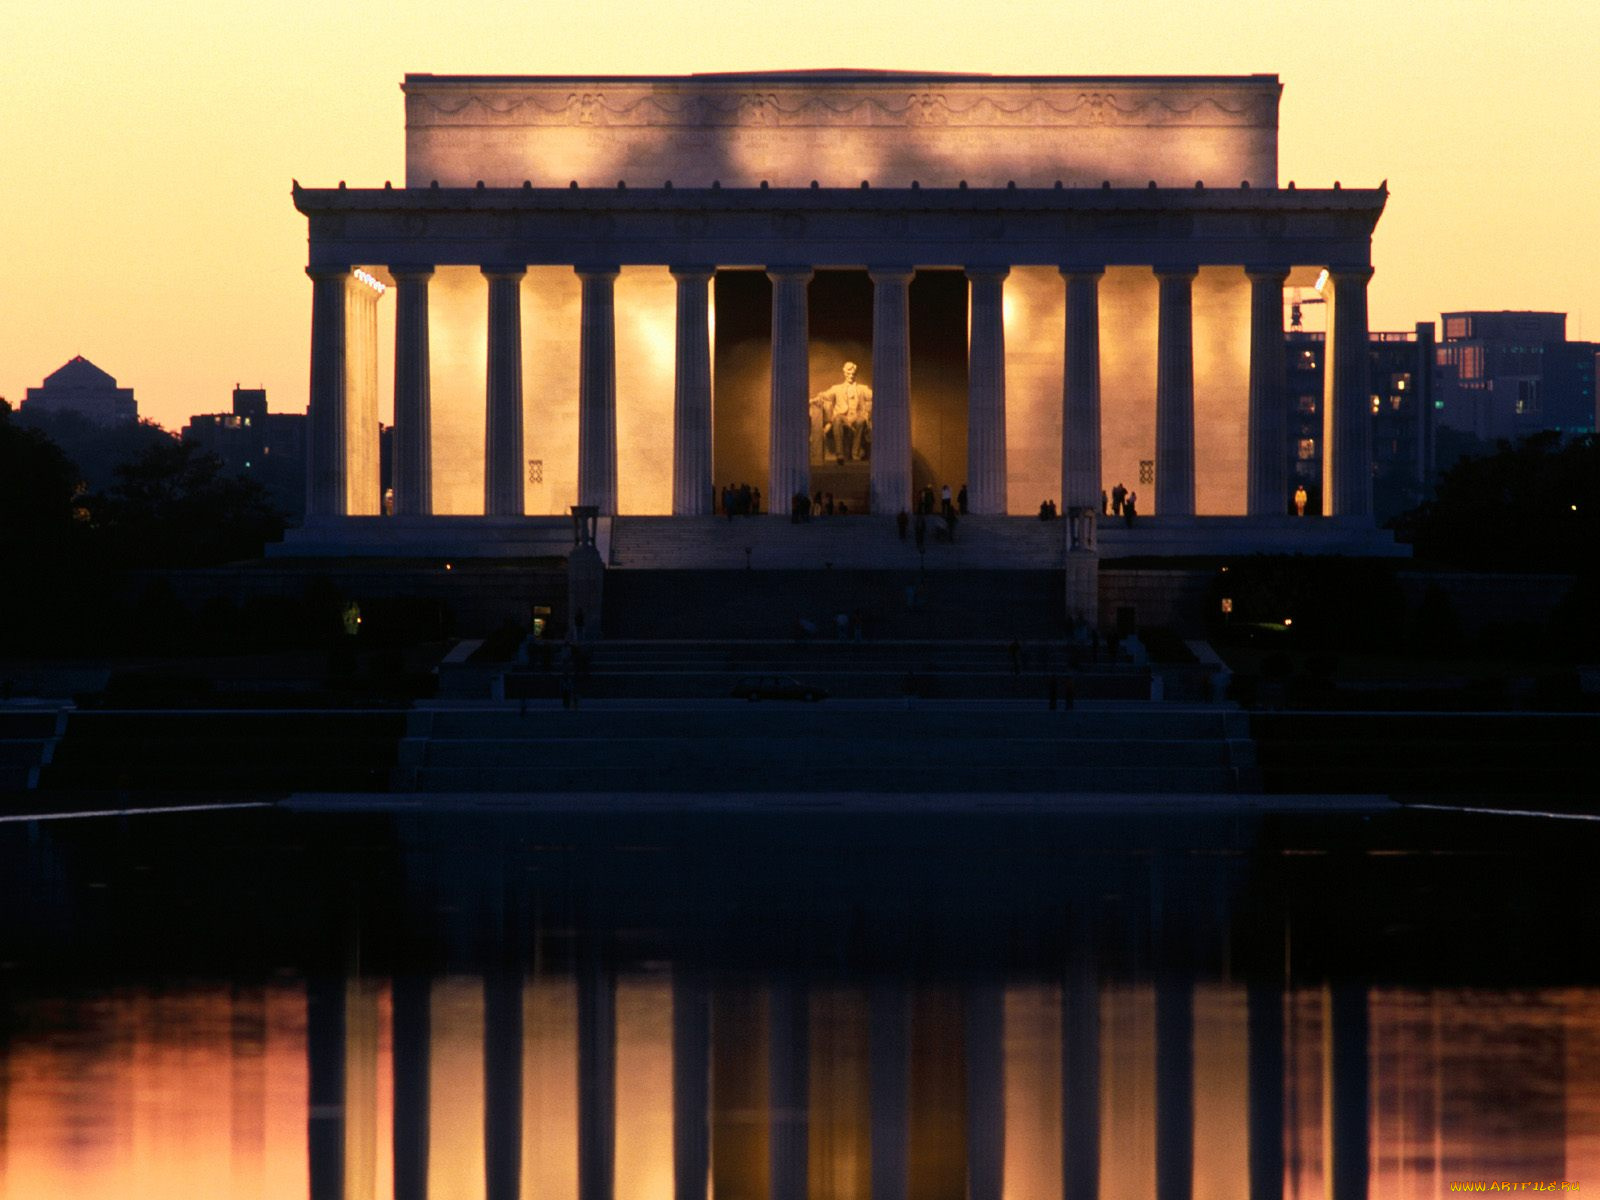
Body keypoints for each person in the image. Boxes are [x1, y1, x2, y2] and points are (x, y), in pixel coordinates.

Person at [811, 361, 874, 461]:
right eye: (849, 373)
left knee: (861, 421)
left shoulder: (862, 389)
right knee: (837, 419)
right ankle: (840, 454)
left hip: (857, 417)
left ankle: (855, 454)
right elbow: (823, 395)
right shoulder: (837, 388)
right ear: (844, 373)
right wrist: (813, 400)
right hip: (843, 417)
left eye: (853, 374)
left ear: (855, 374)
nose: (851, 376)